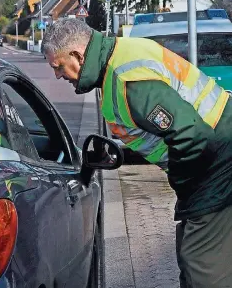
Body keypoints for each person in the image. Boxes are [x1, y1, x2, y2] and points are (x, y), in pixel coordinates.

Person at [41, 18, 232, 288]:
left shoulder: (126, 80)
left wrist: (185, 185)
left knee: (202, 268)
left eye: (58, 67)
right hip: (215, 157)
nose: (58, 76)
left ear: (77, 55)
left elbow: (191, 134)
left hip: (215, 163)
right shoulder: (125, 54)